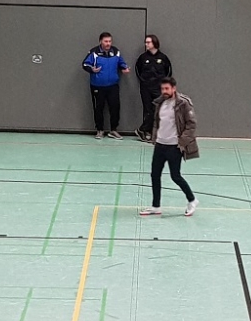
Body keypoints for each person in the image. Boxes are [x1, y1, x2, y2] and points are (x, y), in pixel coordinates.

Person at [139, 77, 199, 217]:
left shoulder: (183, 103)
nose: (164, 91)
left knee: (175, 176)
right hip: (160, 145)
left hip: (174, 147)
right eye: (162, 89)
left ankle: (192, 200)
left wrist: (182, 141)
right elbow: (157, 122)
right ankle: (156, 206)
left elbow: (191, 125)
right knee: (155, 175)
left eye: (167, 88)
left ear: (174, 88)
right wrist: (155, 138)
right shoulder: (160, 103)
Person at [82, 32, 130, 140]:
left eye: (110, 41)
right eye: (106, 41)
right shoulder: (94, 52)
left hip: (113, 86)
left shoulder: (116, 52)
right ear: (101, 41)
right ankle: (100, 130)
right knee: (98, 108)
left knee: (115, 107)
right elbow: (85, 64)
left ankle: (113, 130)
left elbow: (121, 62)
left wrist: (124, 68)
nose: (108, 43)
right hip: (97, 86)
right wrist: (92, 69)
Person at [135, 35, 172, 142]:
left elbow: (168, 71)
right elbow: (138, 70)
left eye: (148, 42)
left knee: (157, 109)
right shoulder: (143, 57)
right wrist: (143, 81)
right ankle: (147, 132)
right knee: (147, 110)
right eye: (146, 42)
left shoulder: (163, 58)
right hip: (146, 87)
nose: (146, 44)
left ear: (154, 43)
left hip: (159, 88)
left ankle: (143, 129)